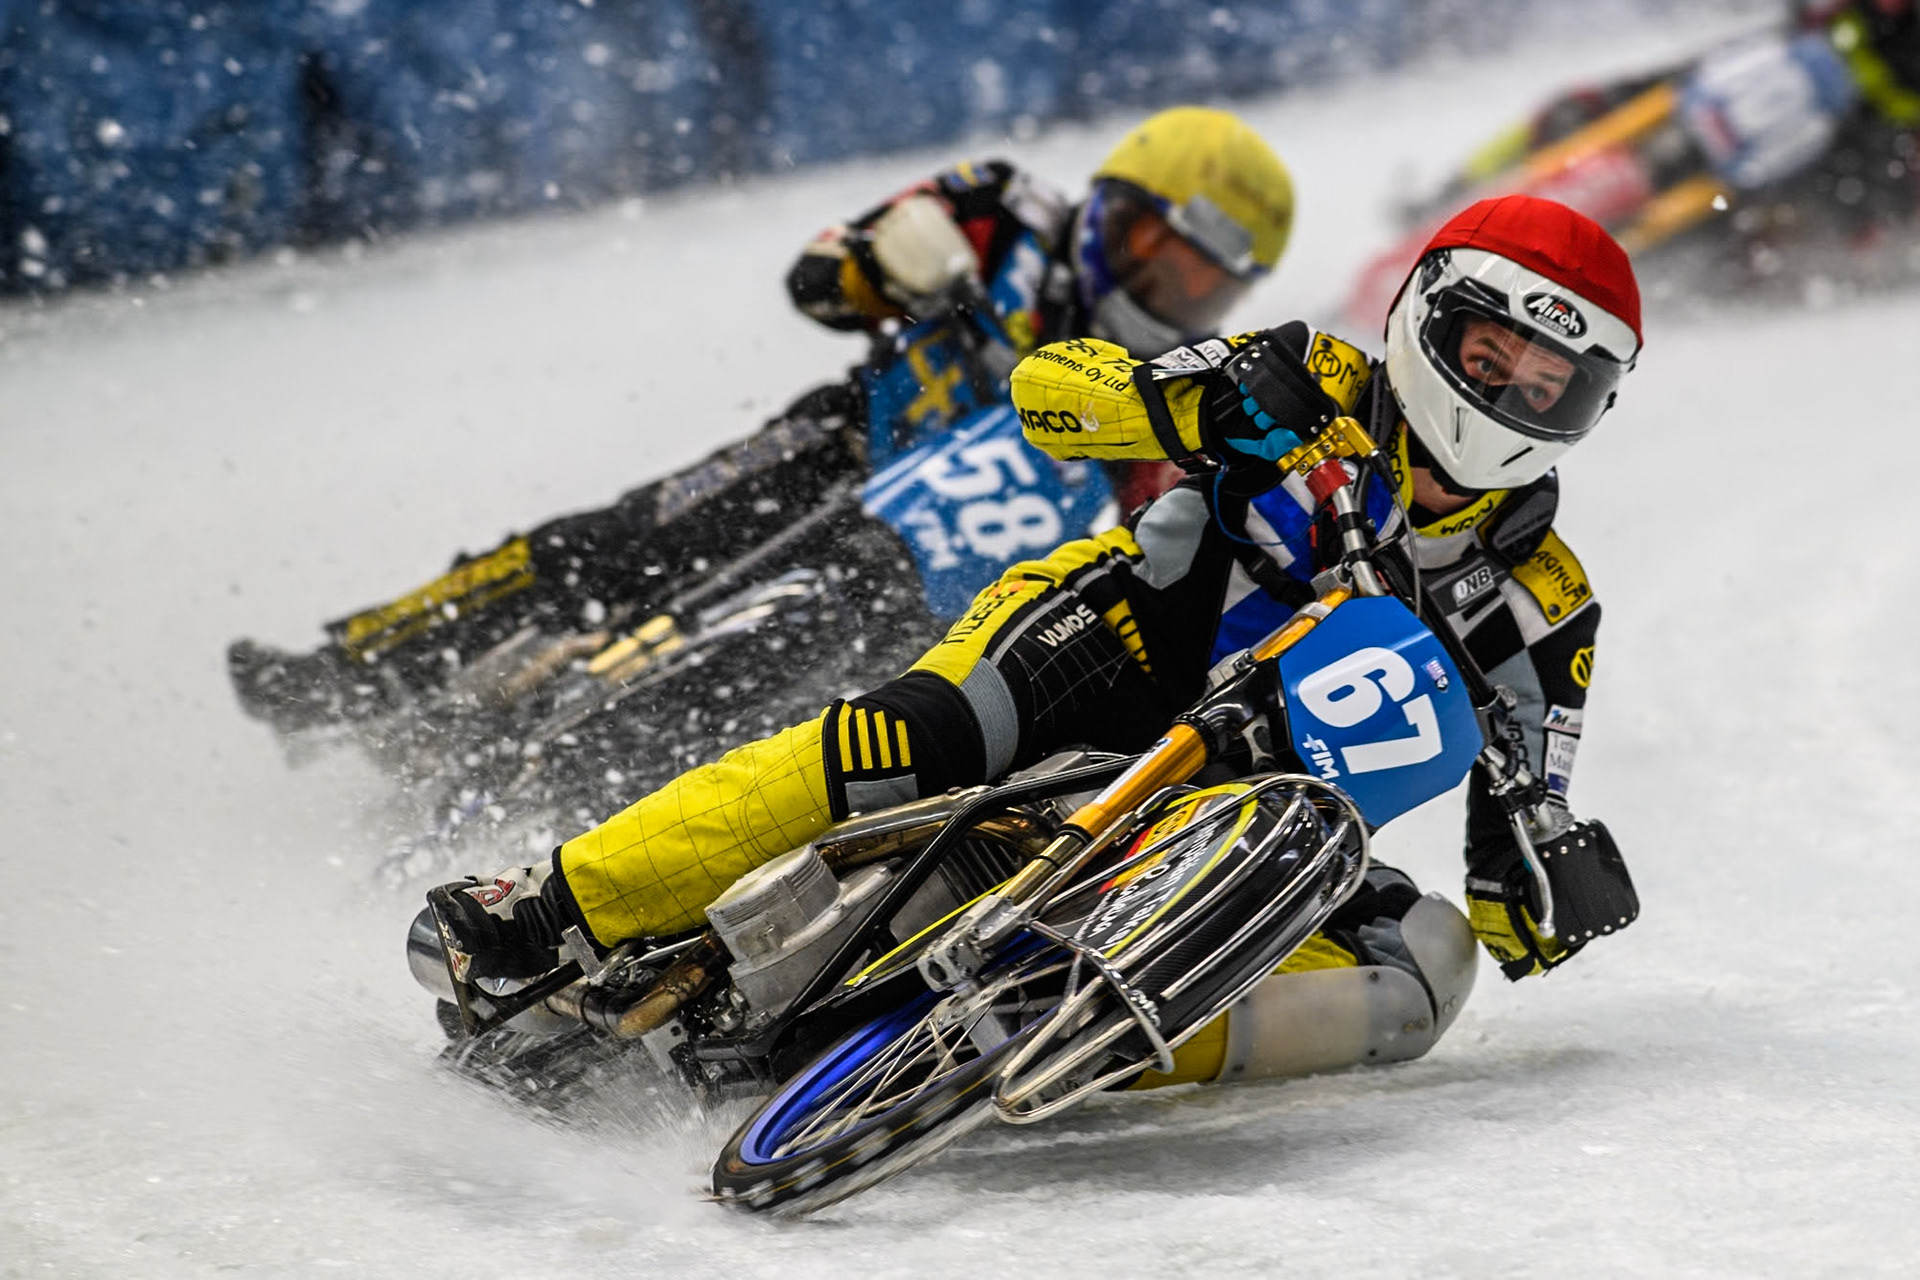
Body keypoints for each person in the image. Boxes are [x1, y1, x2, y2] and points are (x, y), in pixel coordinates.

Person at [432, 194, 1640, 1088]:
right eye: (1493, 356)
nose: (1511, 395)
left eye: (1552, 382)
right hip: (1109, 638)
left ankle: (1037, 1045)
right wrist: (1198, 401)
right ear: (1434, 319)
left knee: (1421, 972)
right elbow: (1052, 396)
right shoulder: (1307, 373)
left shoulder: (1546, 597)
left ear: (1591, 407)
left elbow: (1511, 888)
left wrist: (1548, 877)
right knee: (909, 738)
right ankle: (541, 910)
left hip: (1249, 804)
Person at [227, 106, 1297, 735]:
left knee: (755, 694)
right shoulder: (1006, 203)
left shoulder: (1182, 387)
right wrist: (884, 268)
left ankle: (552, 799)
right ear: (1119, 210)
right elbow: (815, 280)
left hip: (932, 565)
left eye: (1208, 282)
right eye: (1165, 250)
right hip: (838, 443)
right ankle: (350, 666)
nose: (1174, 289)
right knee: (612, 544)